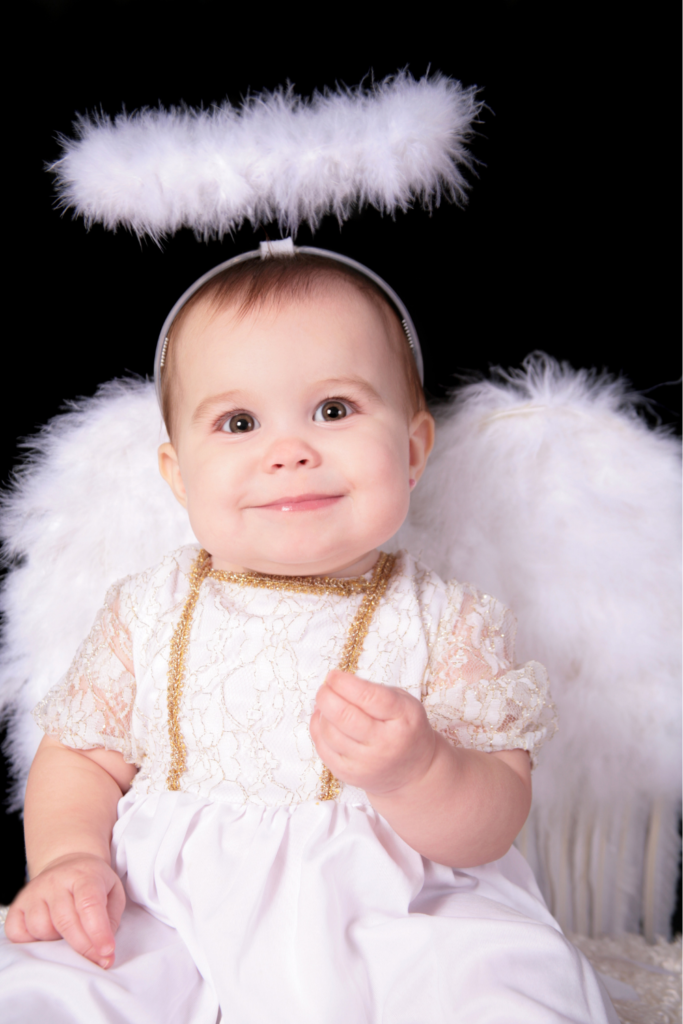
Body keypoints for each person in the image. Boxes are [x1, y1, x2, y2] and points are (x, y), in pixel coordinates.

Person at [0, 253, 618, 1023]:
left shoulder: (447, 621)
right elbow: (81, 757)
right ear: (178, 475)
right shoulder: (146, 610)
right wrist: (69, 858)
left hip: (394, 914)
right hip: (171, 912)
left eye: (333, 410)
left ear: (413, 450)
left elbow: (490, 822)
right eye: (238, 423)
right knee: (54, 984)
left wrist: (418, 769)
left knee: (497, 991)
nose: (287, 451)